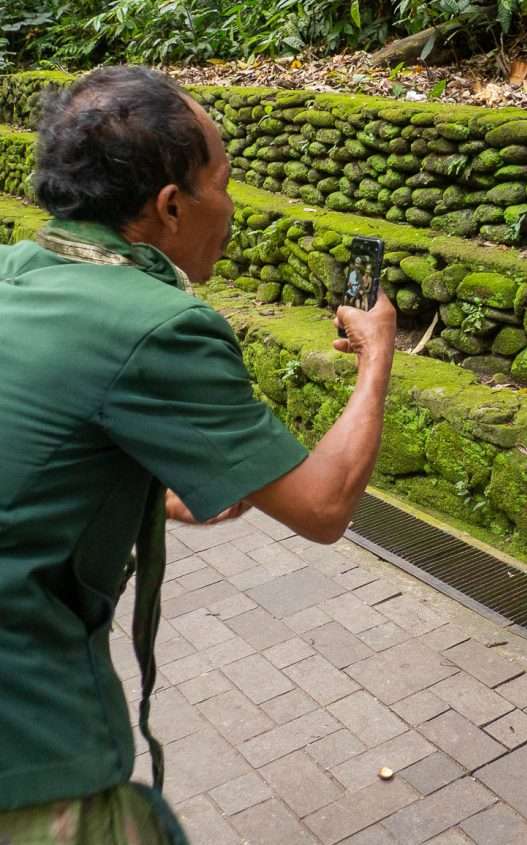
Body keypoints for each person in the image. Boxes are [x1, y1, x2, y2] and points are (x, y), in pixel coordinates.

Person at [0, 67, 396, 842]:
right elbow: (322, 506)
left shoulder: (14, 273)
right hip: (30, 738)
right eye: (224, 181)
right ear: (171, 207)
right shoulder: (160, 324)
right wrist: (379, 356)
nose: (233, 205)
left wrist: (156, 490)